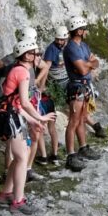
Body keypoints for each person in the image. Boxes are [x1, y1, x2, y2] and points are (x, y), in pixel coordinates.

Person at [0, 38, 55, 214]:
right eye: (36, 53)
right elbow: (26, 103)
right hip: (8, 117)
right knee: (22, 157)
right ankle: (18, 200)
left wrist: (33, 120)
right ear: (27, 55)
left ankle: (5, 194)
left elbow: (17, 103)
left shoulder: (17, 70)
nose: (38, 57)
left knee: (21, 155)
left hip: (7, 115)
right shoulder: (23, 73)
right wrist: (40, 117)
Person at [63, 16, 102, 170]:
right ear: (78, 31)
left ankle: (83, 148)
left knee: (81, 119)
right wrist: (88, 64)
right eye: (84, 29)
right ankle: (70, 155)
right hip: (76, 87)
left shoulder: (83, 46)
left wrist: (88, 64)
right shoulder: (71, 48)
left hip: (84, 86)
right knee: (73, 121)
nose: (86, 31)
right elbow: (83, 69)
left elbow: (95, 61)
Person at [37, 25, 71, 164]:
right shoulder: (52, 49)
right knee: (46, 124)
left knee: (47, 124)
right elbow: (47, 67)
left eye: (62, 39)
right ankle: (49, 155)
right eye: (58, 40)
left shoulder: (64, 47)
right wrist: (42, 85)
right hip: (52, 87)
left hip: (55, 88)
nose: (60, 42)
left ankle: (51, 154)